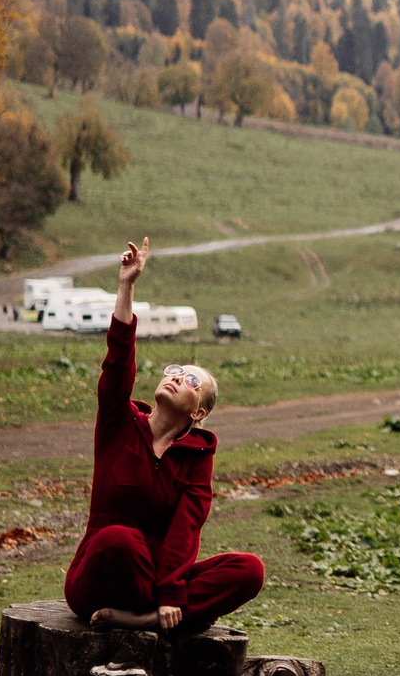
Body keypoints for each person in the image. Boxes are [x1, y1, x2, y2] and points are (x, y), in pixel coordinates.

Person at [63, 238, 263, 633]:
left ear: (199, 411)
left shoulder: (197, 456)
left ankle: (146, 619)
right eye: (175, 370)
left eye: (191, 380)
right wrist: (127, 285)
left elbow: (186, 529)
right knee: (117, 538)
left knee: (249, 569)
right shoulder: (118, 423)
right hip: (96, 579)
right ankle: (169, 618)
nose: (175, 377)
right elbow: (117, 362)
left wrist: (170, 590)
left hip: (157, 587)